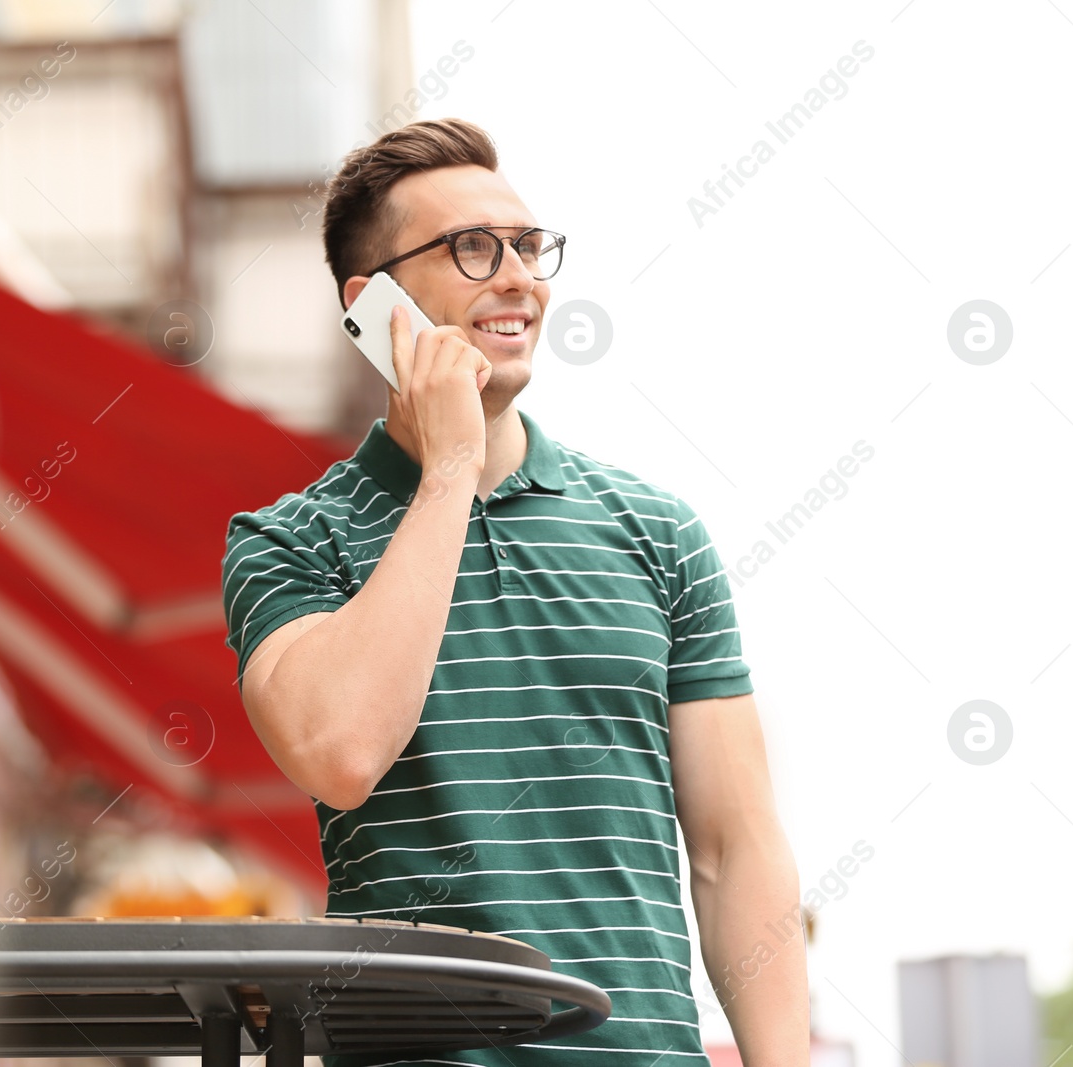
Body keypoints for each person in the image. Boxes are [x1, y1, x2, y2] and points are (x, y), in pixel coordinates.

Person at [220, 117, 809, 1066]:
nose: (519, 277)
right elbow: (341, 752)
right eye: (472, 248)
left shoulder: (657, 532)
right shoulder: (289, 542)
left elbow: (734, 851)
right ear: (374, 306)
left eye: (531, 247)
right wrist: (450, 465)